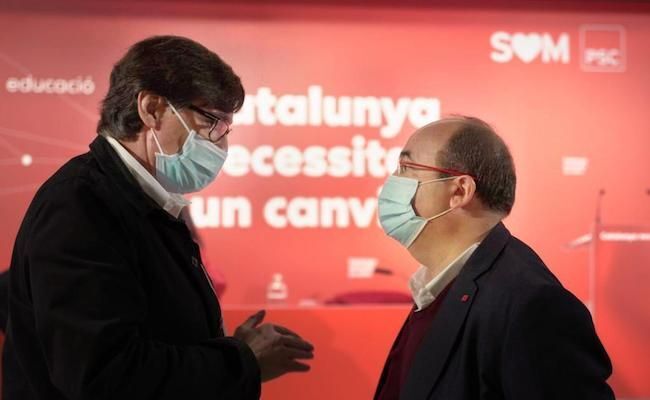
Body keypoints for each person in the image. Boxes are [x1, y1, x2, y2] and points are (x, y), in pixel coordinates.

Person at [2, 35, 313, 400]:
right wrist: (241, 362)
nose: (221, 144)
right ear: (151, 109)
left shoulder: (141, 202)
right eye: (212, 122)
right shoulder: (80, 205)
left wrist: (233, 353)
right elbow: (105, 376)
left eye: (227, 129)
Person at [374, 116, 614, 399]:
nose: (393, 181)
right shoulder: (436, 289)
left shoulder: (531, 305)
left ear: (459, 191)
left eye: (406, 167)